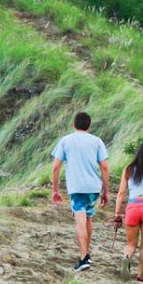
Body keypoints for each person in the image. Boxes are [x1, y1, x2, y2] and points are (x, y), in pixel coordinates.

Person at [51, 112, 110, 271]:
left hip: (77, 188)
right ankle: (87, 254)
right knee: (88, 219)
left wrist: (55, 190)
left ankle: (83, 258)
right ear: (89, 126)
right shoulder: (97, 141)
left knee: (80, 221)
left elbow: (56, 166)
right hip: (94, 188)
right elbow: (104, 167)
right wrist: (106, 192)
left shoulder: (66, 141)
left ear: (73, 124)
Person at [113, 140, 143, 282]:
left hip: (132, 207)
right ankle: (140, 276)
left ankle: (126, 258)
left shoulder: (128, 169)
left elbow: (121, 193)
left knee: (131, 244)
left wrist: (117, 214)